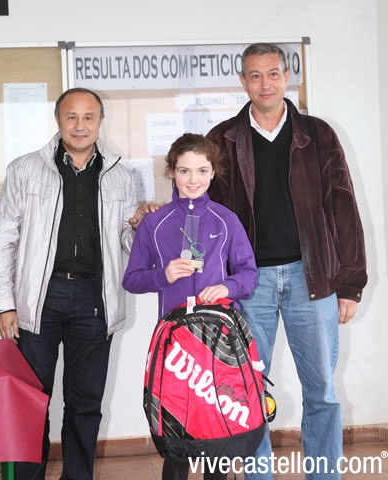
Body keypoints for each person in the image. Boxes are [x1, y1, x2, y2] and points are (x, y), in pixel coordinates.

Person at [206, 43, 368, 480]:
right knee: (248, 392)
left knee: (322, 392)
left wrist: (350, 284)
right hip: (247, 282)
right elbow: (205, 213)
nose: (265, 84)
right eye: (255, 75)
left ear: (287, 77)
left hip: (311, 279)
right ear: (243, 81)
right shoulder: (221, 139)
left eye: (273, 74)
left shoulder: (318, 135)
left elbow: (344, 208)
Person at [0, 87, 152, 480]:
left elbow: (127, 244)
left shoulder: (120, 175)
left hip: (94, 301)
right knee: (30, 401)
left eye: (89, 117)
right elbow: (2, 241)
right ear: (58, 120)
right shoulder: (25, 169)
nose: (80, 125)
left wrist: (139, 227)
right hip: (37, 301)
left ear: (100, 121)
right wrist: (4, 303)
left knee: (85, 404)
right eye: (71, 117)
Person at [122, 132, 259, 480]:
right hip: (175, 345)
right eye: (184, 171)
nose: (193, 180)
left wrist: (227, 287)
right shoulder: (154, 223)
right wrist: (163, 275)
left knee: (217, 427)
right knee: (177, 428)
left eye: (202, 171)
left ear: (213, 172)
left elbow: (249, 274)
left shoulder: (227, 220)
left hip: (219, 344)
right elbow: (132, 279)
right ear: (171, 171)